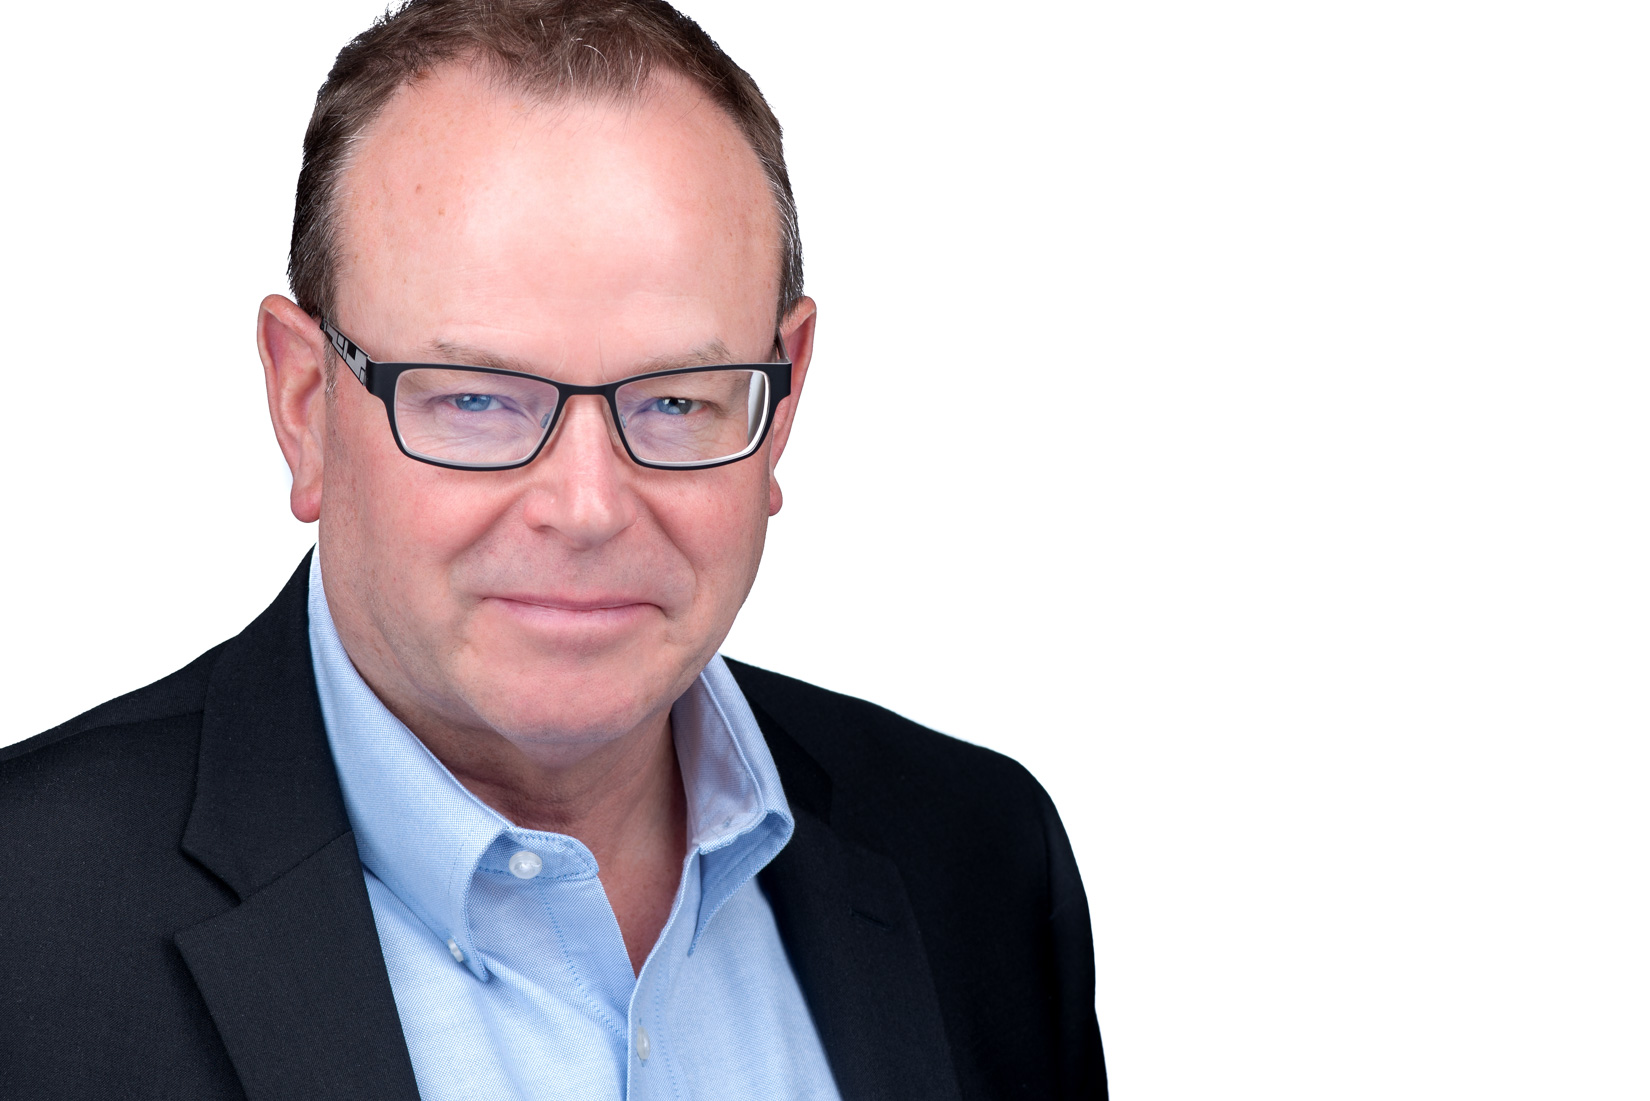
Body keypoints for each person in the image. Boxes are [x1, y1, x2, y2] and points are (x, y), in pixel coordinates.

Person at [0, 1, 1104, 1097]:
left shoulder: (977, 866)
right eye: (476, 398)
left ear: (785, 396)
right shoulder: (25, 922)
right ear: (304, 403)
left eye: (676, 398)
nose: (585, 507)